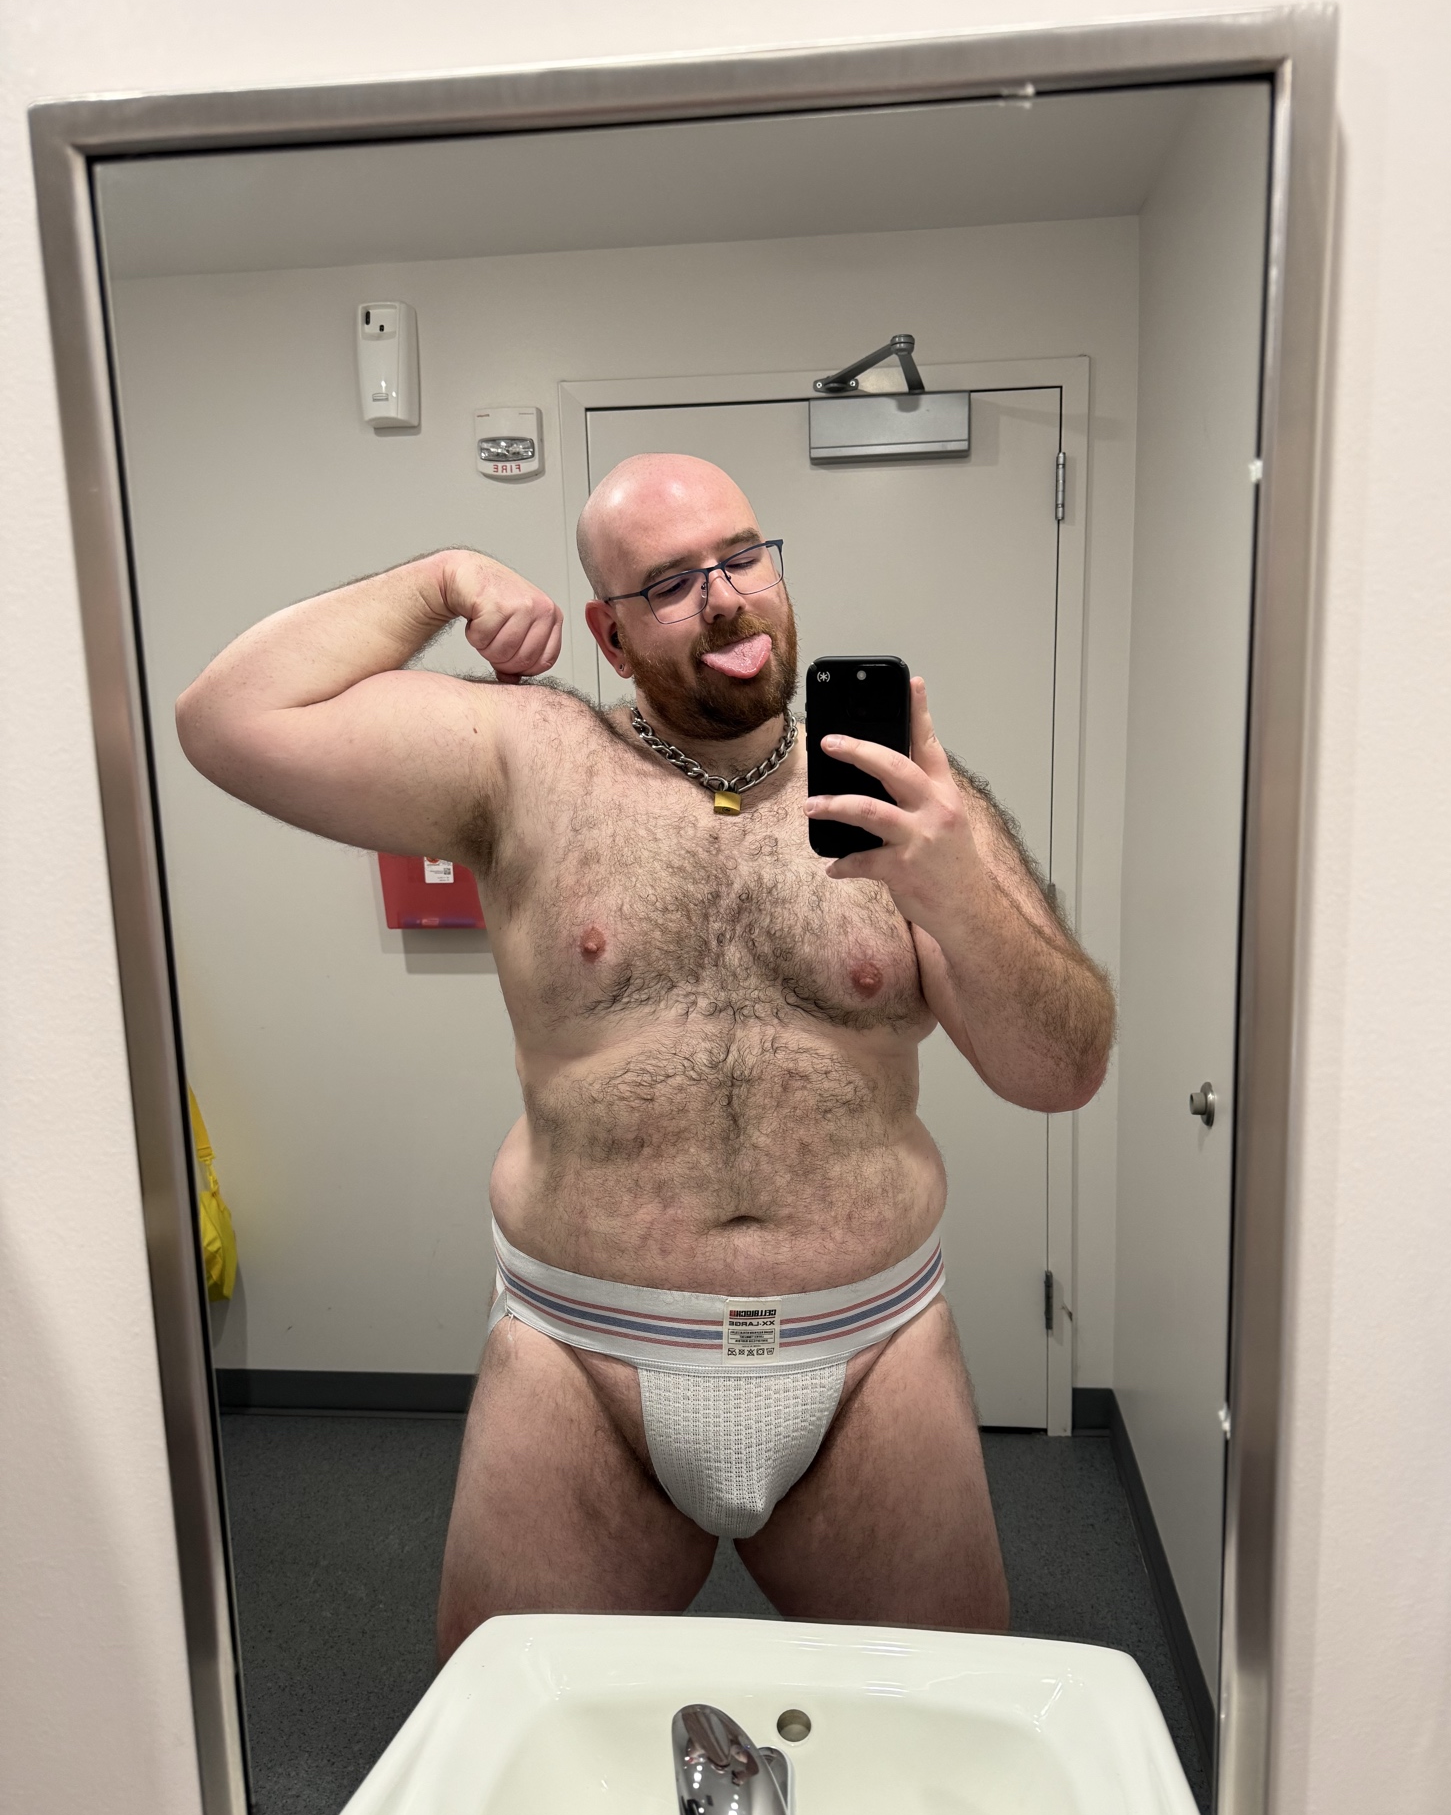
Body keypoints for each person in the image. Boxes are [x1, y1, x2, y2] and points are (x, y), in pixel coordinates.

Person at [176, 453, 1114, 1656]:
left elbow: (1063, 1069)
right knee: (521, 1728)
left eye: (742, 556)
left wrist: (955, 888)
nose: (723, 598)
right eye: (669, 583)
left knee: (931, 1725)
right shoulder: (524, 760)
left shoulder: (910, 797)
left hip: (870, 1353)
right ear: (609, 639)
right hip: (585, 1358)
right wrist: (442, 578)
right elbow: (226, 718)